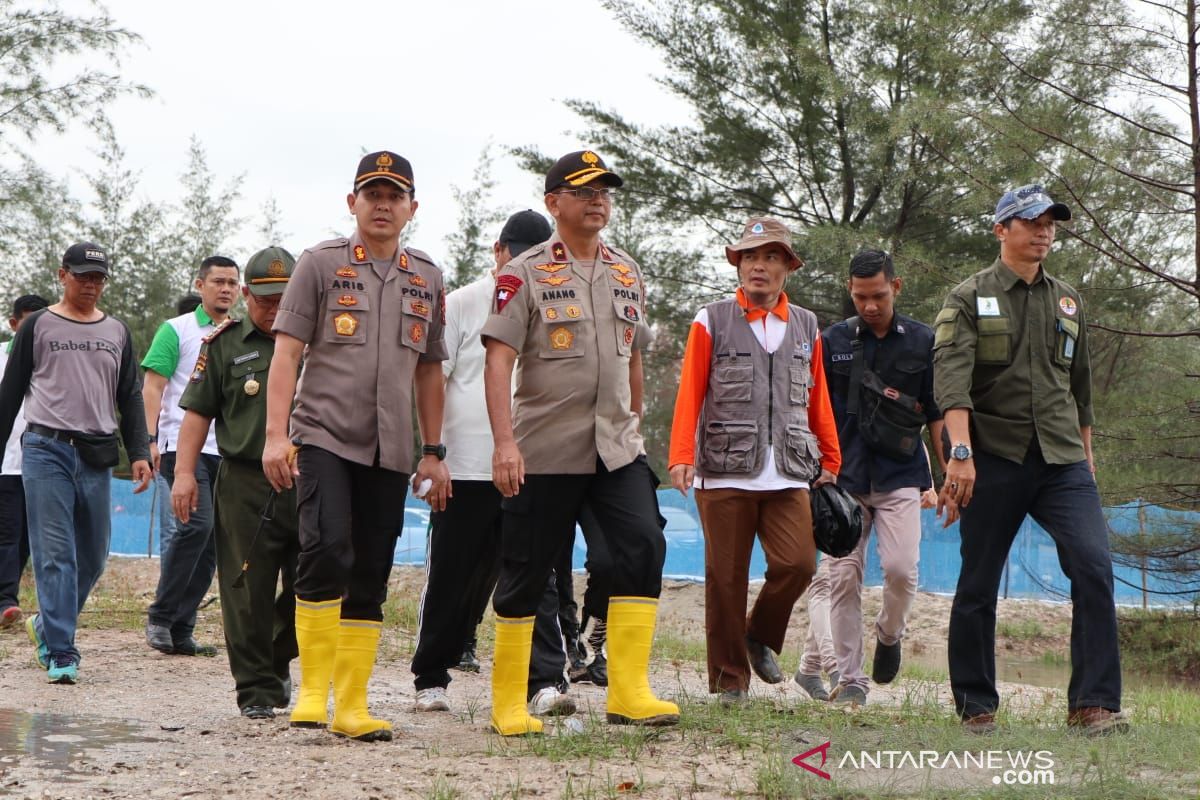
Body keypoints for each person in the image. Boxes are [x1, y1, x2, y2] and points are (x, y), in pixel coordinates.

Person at [482, 150, 677, 735]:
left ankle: (630, 691)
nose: (598, 199)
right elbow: (498, 363)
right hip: (544, 449)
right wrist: (504, 444)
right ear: (553, 202)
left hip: (616, 449)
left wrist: (636, 423)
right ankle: (509, 702)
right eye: (584, 189)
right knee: (526, 570)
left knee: (643, 546)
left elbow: (633, 355)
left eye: (605, 190)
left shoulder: (627, 270)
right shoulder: (525, 273)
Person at [263, 151, 450, 742]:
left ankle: (353, 703)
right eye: (373, 193)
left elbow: (429, 371)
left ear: (411, 208)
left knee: (371, 566)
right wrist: (275, 436)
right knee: (324, 549)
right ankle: (313, 691)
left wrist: (434, 450)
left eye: (394, 195)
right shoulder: (320, 264)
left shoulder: (428, 276)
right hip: (323, 435)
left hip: (391, 448)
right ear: (353, 202)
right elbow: (287, 354)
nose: (383, 204)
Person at [934, 184, 1126, 736]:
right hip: (993, 456)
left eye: (1051, 222)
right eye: (1031, 221)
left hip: (1063, 460)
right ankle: (977, 707)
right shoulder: (966, 298)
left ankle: (1093, 706)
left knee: (1093, 568)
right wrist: (960, 455)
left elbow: (1081, 388)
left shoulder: (1068, 300)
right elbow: (951, 384)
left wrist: (1086, 457)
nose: (1043, 230)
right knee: (978, 581)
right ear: (1001, 229)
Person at [410, 208, 578, 718]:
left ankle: (544, 681)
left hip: (532, 467)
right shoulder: (460, 303)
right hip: (465, 467)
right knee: (451, 577)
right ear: (497, 252)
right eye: (517, 253)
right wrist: (433, 453)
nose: (524, 263)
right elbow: (434, 378)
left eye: (538, 255)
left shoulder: (558, 302)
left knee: (537, 578)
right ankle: (430, 677)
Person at [668, 217, 841, 704]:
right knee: (726, 579)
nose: (757, 267)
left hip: (789, 468)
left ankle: (759, 633)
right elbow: (690, 391)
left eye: (769, 257)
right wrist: (681, 453)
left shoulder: (806, 325)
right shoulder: (711, 318)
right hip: (722, 468)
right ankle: (729, 683)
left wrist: (831, 455)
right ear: (737, 265)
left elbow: (818, 397)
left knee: (799, 563)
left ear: (788, 266)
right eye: (749, 257)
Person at [0, 243, 152, 684]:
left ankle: (46, 625)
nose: (90, 284)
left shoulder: (117, 332)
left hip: (97, 452)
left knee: (93, 555)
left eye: (98, 278)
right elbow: (10, 396)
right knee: (54, 554)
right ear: (61, 274)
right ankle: (62, 650)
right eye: (82, 275)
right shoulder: (38, 326)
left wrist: (139, 451)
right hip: (46, 449)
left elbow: (129, 396)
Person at [171, 247, 301, 720]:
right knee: (245, 588)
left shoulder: (318, 340)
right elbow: (197, 415)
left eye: (284, 298)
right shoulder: (223, 344)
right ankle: (257, 691)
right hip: (245, 481)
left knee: (323, 578)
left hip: (309, 481)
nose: (274, 308)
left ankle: (276, 655)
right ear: (246, 295)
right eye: (264, 299)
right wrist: (184, 475)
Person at [815, 250, 946, 706]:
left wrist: (947, 474)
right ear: (850, 291)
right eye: (859, 296)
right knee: (842, 578)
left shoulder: (923, 341)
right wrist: (817, 471)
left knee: (900, 571)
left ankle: (890, 635)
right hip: (842, 481)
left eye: (878, 295)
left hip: (901, 476)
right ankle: (850, 680)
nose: (869, 306)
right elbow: (817, 410)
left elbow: (935, 413)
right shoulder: (831, 340)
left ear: (897, 287)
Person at [143, 256, 240, 656]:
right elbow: (152, 387)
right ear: (200, 285)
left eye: (233, 283)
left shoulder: (241, 334)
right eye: (218, 281)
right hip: (182, 447)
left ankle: (182, 628)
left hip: (229, 451)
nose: (226, 289)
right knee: (194, 527)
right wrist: (147, 439)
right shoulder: (175, 330)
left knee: (214, 543)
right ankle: (161, 616)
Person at [0, 294, 51, 629]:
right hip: (5, 462)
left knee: (27, 539)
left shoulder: (51, 360)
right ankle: (6, 599)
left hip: (40, 462)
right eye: (28, 323)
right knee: (8, 531)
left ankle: (7, 596)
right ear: (14, 324)